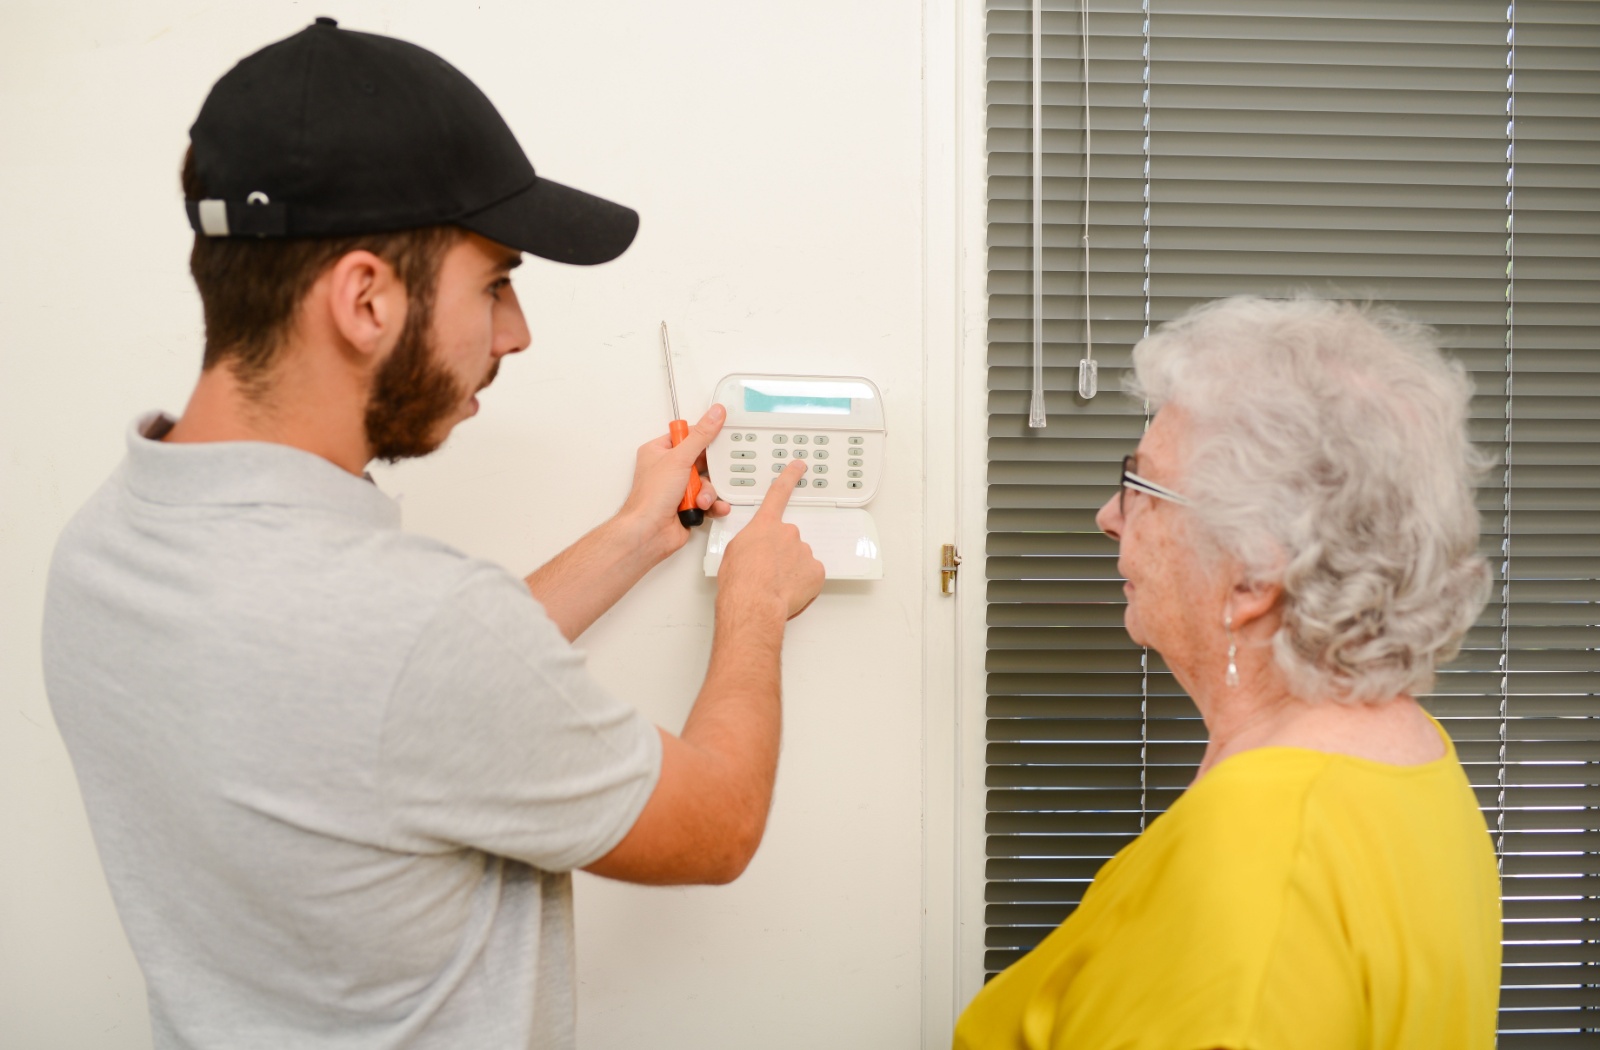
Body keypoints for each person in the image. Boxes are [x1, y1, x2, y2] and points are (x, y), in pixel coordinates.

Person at [41, 19, 824, 1050]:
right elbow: (715, 826)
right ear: (366, 297)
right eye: (495, 283)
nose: (516, 332)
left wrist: (636, 534)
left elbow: (377, 711)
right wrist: (755, 602)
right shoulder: (413, 629)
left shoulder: (105, 547)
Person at [954, 297, 1503, 1049]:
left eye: (1141, 486)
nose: (1109, 516)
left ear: (1251, 576)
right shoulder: (1414, 759)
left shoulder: (1258, 850)